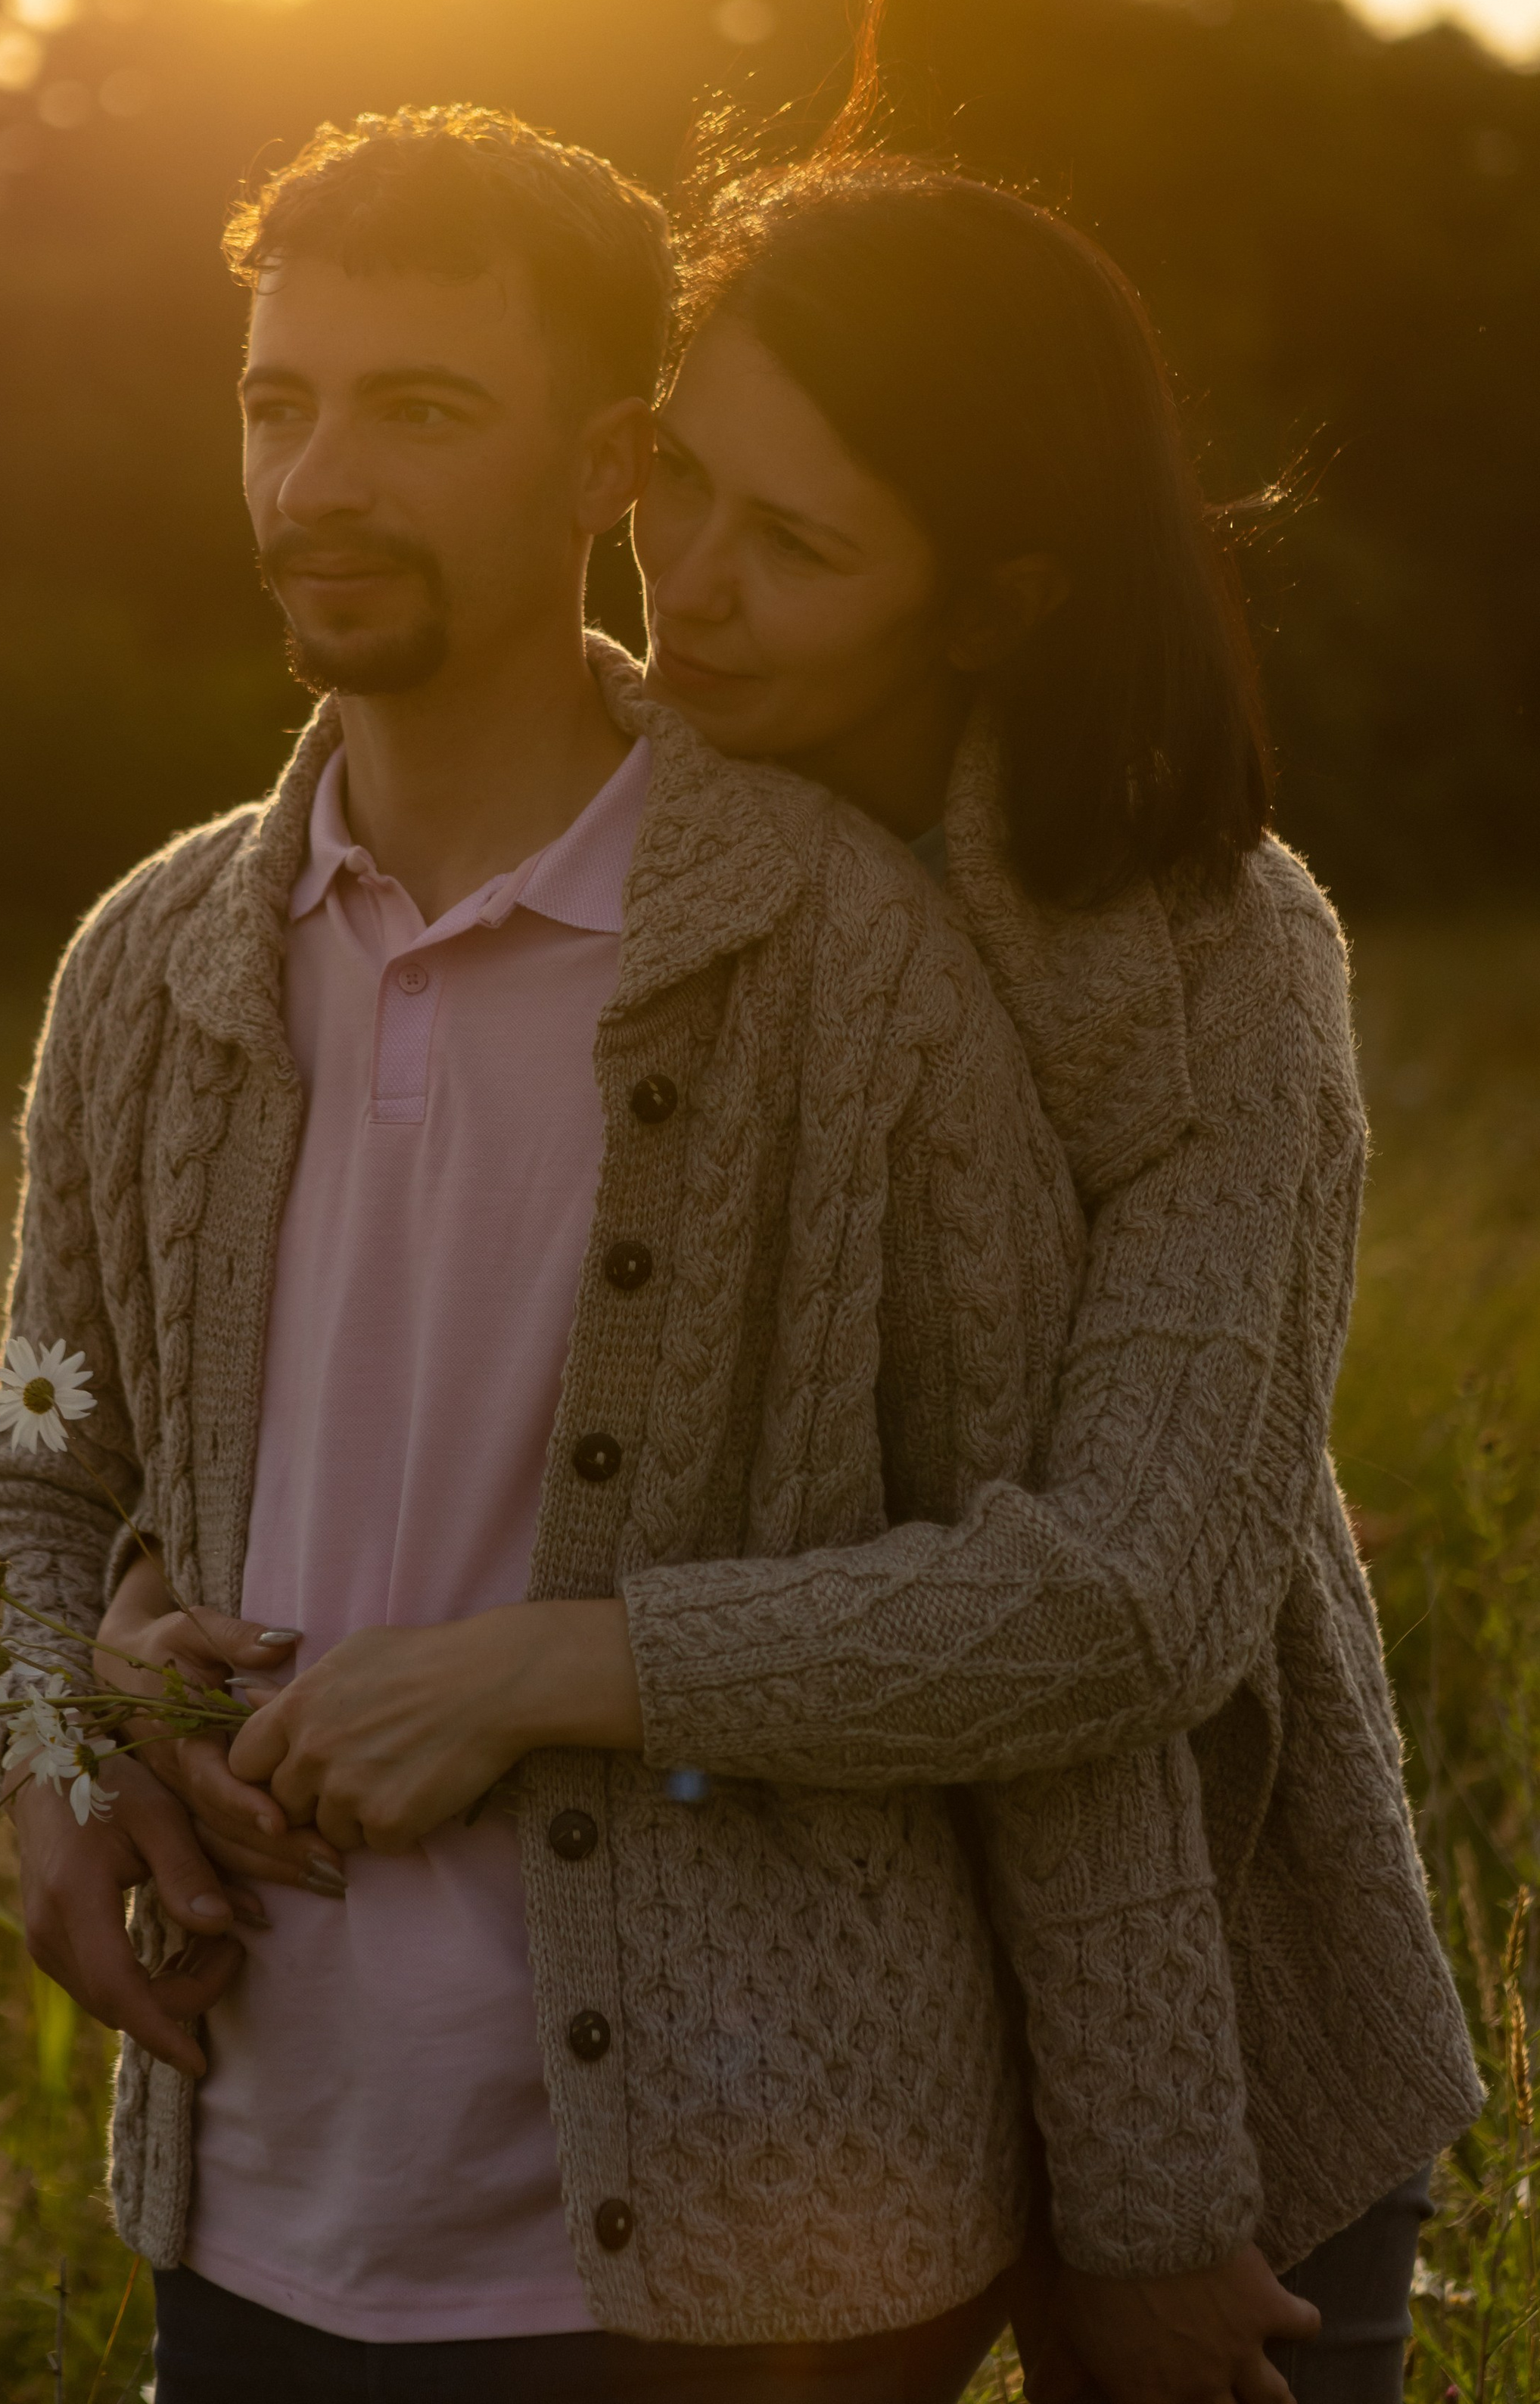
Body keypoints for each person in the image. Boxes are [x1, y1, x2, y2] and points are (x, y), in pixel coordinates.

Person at [0, 104, 1111, 2402]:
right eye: (280, 403)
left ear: (607, 468)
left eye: (422, 410)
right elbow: (32, 1482)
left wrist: (563, 1664)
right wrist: (40, 1746)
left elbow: (1045, 1614)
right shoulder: (153, 960)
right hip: (261, 2195)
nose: (319, 483)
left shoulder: (836, 954)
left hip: (758, 2254)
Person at [628, 148, 1482, 2404]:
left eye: (795, 544)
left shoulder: (1212, 958)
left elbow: (1135, 1603)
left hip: (1219, 1962)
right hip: (763, 1968)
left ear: (993, 603)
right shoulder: (607, 856)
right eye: (674, 482)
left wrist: (559, 1665)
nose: (691, 591)